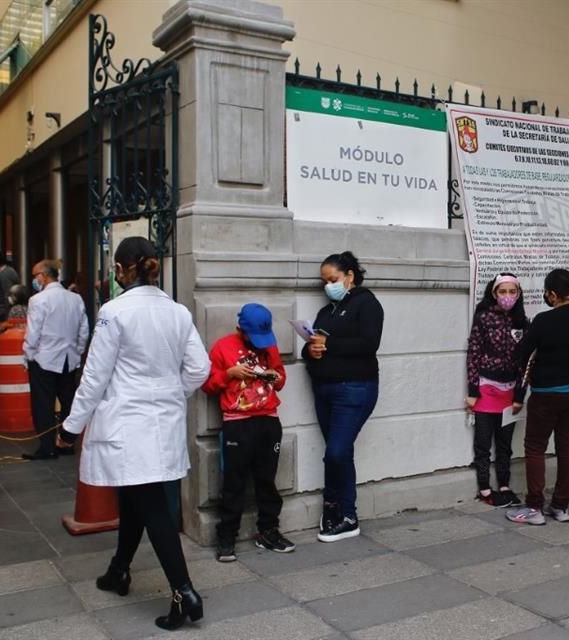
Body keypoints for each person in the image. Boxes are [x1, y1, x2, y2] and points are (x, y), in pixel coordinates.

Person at [55, 236, 211, 631]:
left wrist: (70, 428)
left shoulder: (114, 312)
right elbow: (199, 368)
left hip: (129, 425)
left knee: (150, 505)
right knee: (135, 497)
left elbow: (94, 377)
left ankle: (183, 592)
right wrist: (170, 393)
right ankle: (119, 569)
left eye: (116, 268)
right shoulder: (176, 311)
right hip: (163, 422)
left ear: (123, 269)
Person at [203, 303, 295, 563]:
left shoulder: (269, 345)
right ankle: (226, 538)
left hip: (268, 419)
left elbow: (282, 379)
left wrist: (274, 377)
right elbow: (208, 385)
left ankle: (268, 531)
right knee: (234, 482)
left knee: (267, 480)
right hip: (237, 422)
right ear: (240, 330)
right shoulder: (223, 347)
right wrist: (229, 374)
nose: (259, 343)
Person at [303, 251, 383, 542]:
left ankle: (345, 512)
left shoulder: (366, 303)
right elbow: (313, 344)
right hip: (324, 389)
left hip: (355, 388)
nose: (328, 286)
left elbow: (369, 343)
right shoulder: (327, 311)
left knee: (335, 451)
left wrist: (329, 343)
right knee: (340, 452)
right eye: (324, 281)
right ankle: (340, 512)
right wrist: (310, 350)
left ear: (349, 276)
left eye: (333, 279)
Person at [506, 269, 569, 525]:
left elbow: (522, 354)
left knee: (535, 447)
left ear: (552, 294)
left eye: (547, 292)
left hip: (547, 393)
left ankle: (534, 507)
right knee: (566, 447)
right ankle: (560, 506)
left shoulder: (544, 321)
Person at [465, 273, 528, 507]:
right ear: (494, 293)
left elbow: (526, 362)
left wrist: (520, 394)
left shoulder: (522, 321)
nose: (507, 297)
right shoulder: (483, 317)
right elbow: (474, 354)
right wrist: (473, 391)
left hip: (510, 392)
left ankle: (504, 485)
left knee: (504, 444)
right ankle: (484, 488)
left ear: (519, 294)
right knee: (483, 444)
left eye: (512, 292)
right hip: (485, 389)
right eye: (503, 292)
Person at [22, 260, 89, 460]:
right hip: (69, 358)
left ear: (43, 276)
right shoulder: (75, 299)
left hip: (44, 358)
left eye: (36, 275)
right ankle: (67, 441)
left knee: (43, 404)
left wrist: (29, 355)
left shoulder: (38, 300)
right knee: (68, 401)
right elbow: (84, 330)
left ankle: (47, 446)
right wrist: (77, 351)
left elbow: (33, 332)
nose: (35, 279)